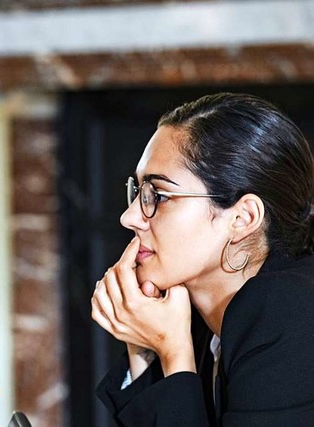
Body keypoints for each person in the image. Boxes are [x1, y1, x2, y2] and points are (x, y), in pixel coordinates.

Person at [91, 93, 314, 426]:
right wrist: (143, 349)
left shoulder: (291, 309)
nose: (130, 217)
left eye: (159, 196)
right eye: (138, 192)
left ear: (242, 218)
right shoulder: (197, 321)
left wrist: (174, 354)